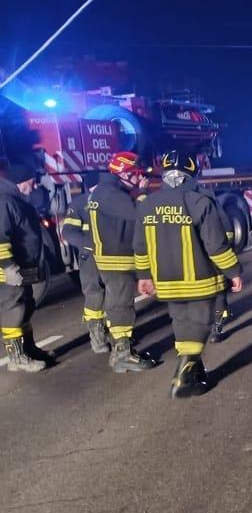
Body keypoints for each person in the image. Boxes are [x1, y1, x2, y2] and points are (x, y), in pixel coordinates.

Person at [134, 151, 243, 398]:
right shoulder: (199, 203)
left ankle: (194, 371)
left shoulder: (146, 205)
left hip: (166, 282)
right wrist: (233, 272)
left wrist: (144, 276)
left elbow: (140, 247)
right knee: (200, 324)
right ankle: (185, 374)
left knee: (181, 321)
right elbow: (216, 246)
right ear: (190, 176)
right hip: (199, 281)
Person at [90, 151, 156, 373]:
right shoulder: (111, 195)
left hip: (112, 260)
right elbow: (141, 214)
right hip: (116, 261)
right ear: (124, 173)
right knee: (121, 307)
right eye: (136, 175)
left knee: (119, 305)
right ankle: (123, 355)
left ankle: (122, 353)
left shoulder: (106, 191)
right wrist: (143, 194)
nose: (139, 179)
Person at [0, 164, 53, 372]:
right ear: (22, 181)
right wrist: (8, 266)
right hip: (10, 269)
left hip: (24, 266)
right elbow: (0, 238)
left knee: (26, 305)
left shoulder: (15, 199)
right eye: (33, 180)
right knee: (13, 308)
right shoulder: (4, 201)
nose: (36, 184)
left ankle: (29, 349)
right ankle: (17, 358)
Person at [62, 174, 109, 354]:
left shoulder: (111, 200)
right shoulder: (80, 204)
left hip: (111, 256)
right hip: (91, 258)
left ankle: (118, 336)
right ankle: (97, 336)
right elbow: (69, 231)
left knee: (113, 295)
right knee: (95, 295)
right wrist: (89, 245)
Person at [195, 178, 235, 343]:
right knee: (219, 289)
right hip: (211, 251)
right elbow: (224, 225)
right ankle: (216, 328)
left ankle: (210, 326)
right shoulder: (205, 198)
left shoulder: (173, 199)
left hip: (195, 255)